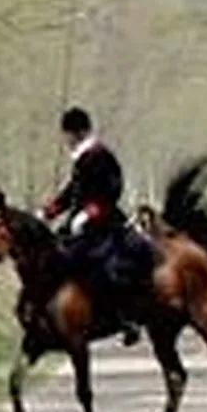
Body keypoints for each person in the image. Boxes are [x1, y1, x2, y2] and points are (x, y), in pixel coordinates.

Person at [40, 107, 144, 346]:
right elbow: (71, 193)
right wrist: (47, 212)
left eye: (67, 134)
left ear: (78, 133)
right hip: (78, 226)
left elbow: (112, 191)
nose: (65, 139)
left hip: (104, 224)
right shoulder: (82, 159)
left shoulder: (101, 156)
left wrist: (88, 214)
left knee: (103, 267)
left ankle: (125, 319)